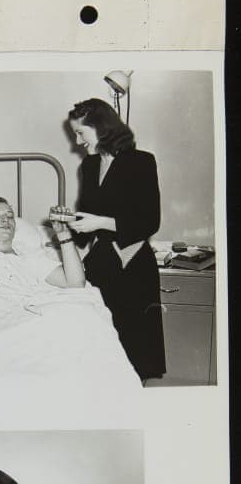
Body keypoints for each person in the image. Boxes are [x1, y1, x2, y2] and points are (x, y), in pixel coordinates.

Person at [64, 98, 166, 380]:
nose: (77, 141)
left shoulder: (141, 162)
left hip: (132, 264)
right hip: (102, 262)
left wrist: (99, 222)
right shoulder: (89, 165)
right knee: (99, 351)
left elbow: (149, 221)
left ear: (100, 128)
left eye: (80, 133)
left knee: (135, 355)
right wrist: (67, 227)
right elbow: (87, 219)